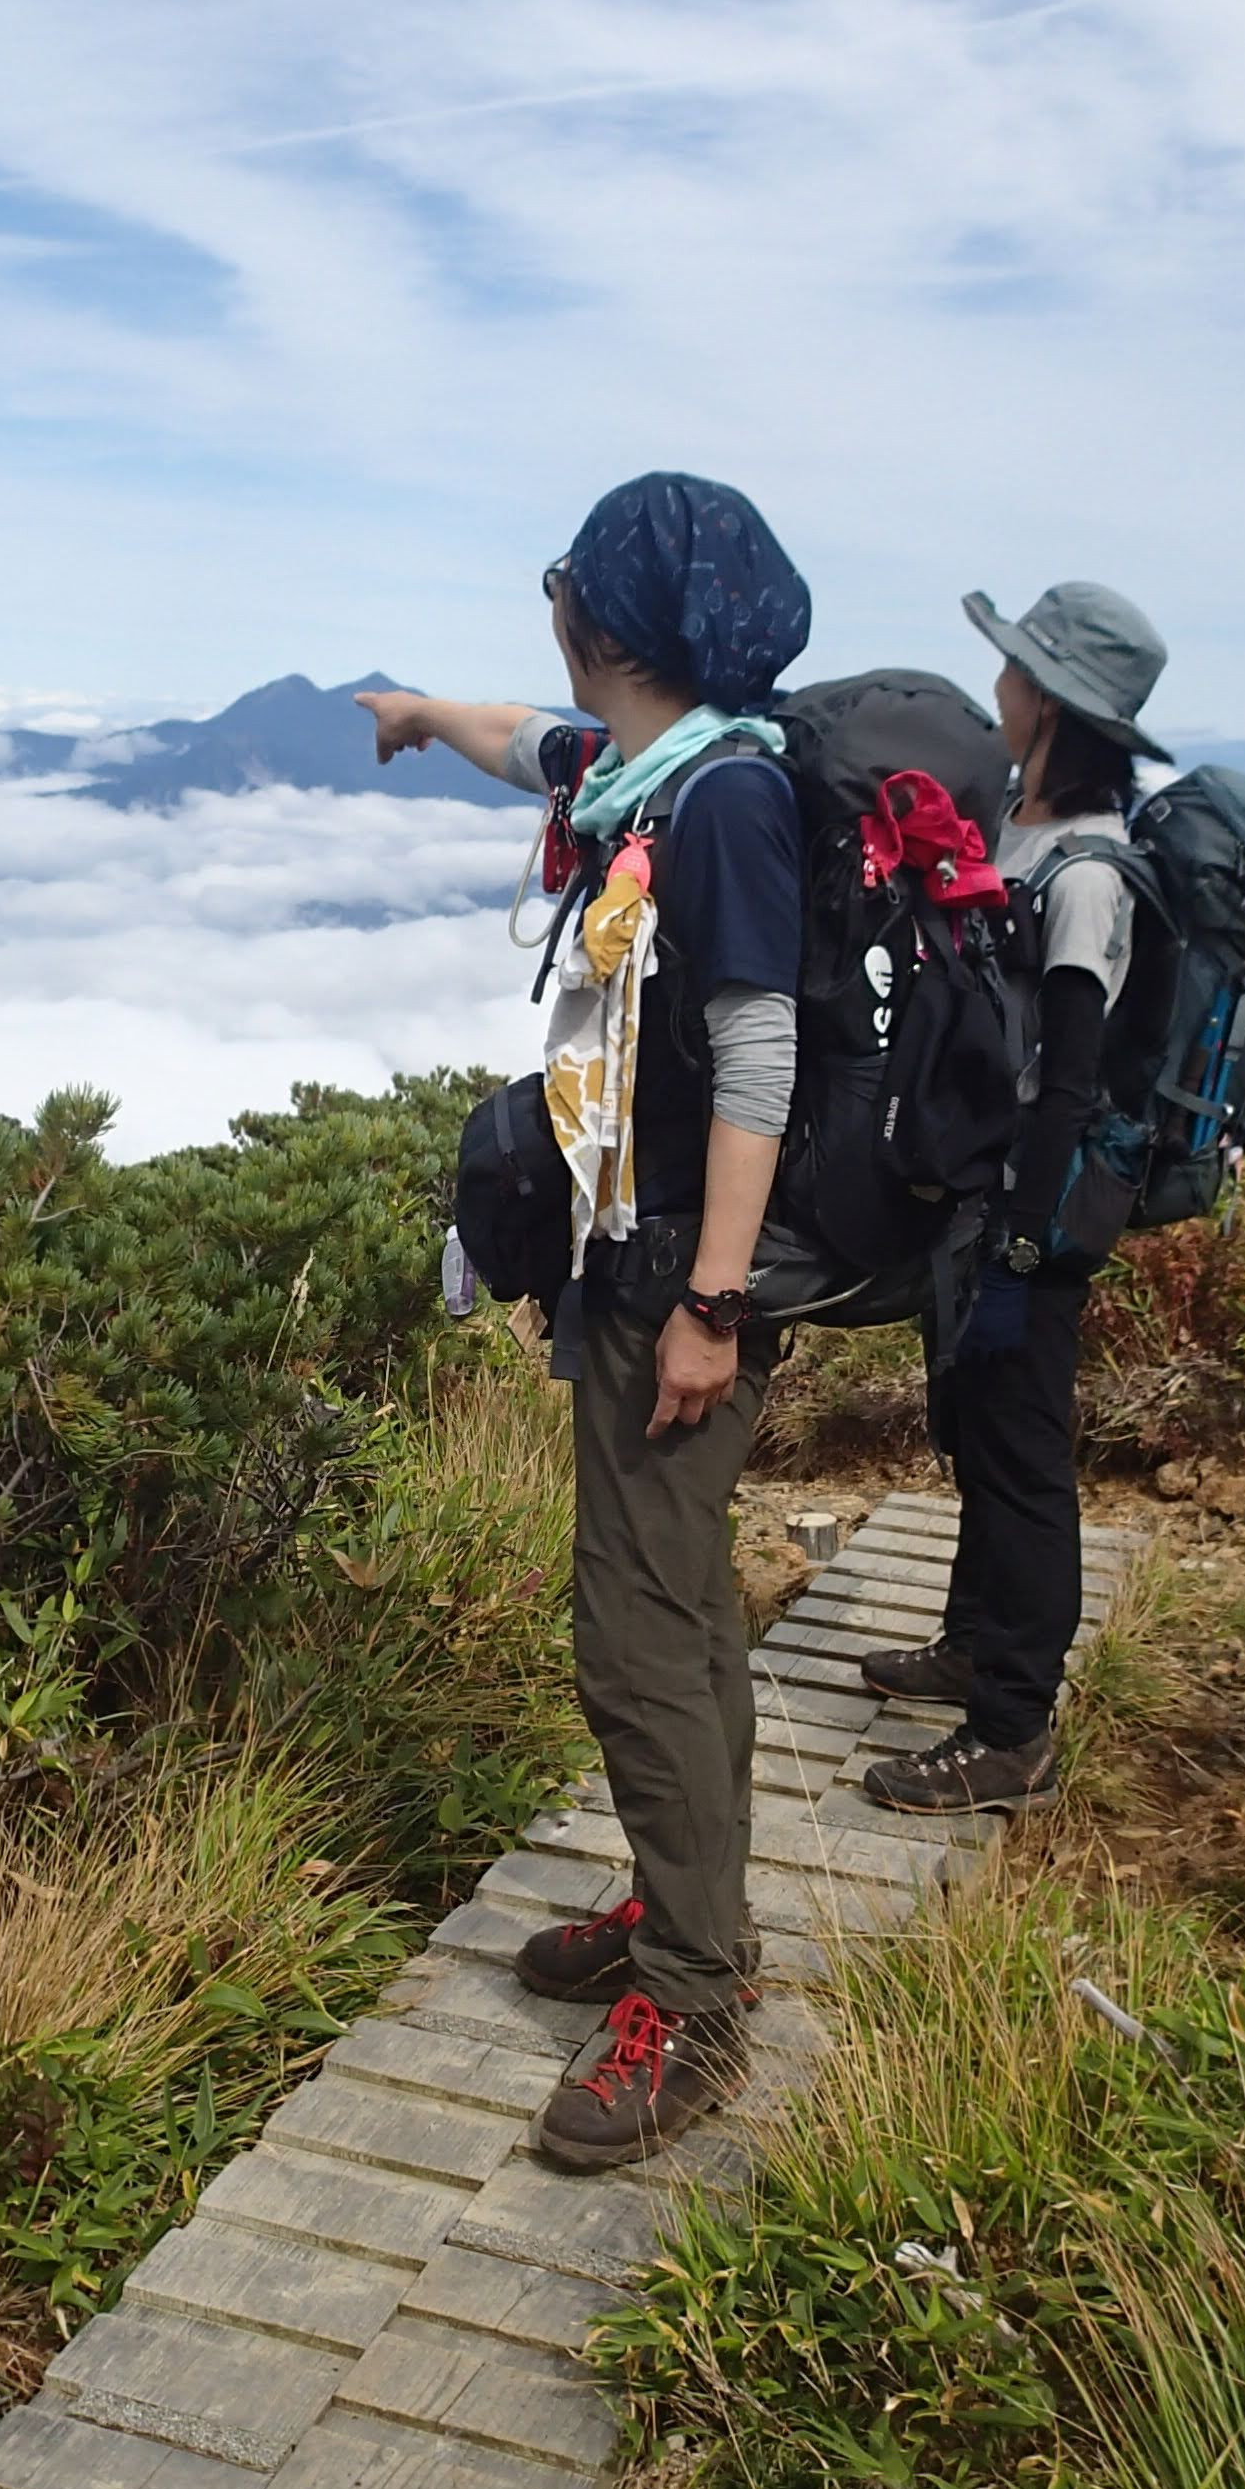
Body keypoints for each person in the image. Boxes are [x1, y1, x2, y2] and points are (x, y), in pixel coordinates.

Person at [357, 473, 810, 2172]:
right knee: (678, 1608)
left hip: (679, 1285)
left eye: (562, 583)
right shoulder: (649, 771)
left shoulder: (723, 813)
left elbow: (755, 1060)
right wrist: (415, 715)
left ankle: (692, 1997)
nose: (548, 607)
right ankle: (678, 1904)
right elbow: (524, 743)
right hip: (645, 1270)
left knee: (633, 1638)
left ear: (605, 624)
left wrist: (708, 1305)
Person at [861, 581, 1171, 1814]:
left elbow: (1070, 1081)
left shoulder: (1088, 872)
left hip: (1028, 1214)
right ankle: (973, 1645)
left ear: (1045, 701)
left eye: (1010, 673)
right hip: (981, 1198)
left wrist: (1026, 1251)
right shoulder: (1018, 830)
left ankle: (1010, 1732)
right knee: (976, 1437)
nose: (994, 688)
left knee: (1025, 1457)